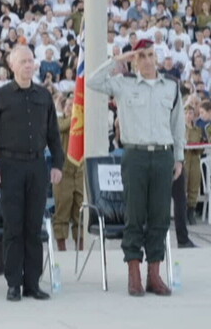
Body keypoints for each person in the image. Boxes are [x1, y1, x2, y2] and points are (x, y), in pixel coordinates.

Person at [87, 39, 185, 297]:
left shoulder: (171, 87)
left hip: (163, 155)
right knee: (135, 214)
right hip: (135, 156)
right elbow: (92, 82)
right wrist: (119, 60)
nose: (148, 61)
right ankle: (134, 273)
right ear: (134, 60)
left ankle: (154, 273)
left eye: (151, 55)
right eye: (141, 56)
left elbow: (178, 125)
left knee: (161, 216)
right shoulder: (124, 83)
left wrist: (179, 157)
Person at [0, 45, 63, 302]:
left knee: (33, 226)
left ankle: (32, 283)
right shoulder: (0, 96)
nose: (29, 65)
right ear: (13, 66)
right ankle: (13, 283)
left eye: (31, 61)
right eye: (24, 61)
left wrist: (58, 164)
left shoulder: (43, 95)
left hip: (37, 166)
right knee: (14, 227)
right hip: (9, 166)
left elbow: (53, 134)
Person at [52, 95, 84, 251]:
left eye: (75, 105)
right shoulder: (60, 122)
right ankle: (62, 247)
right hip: (64, 170)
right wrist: (58, 110)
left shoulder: (82, 122)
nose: (72, 108)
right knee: (62, 210)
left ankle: (80, 247)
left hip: (79, 170)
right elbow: (60, 127)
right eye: (69, 105)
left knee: (80, 211)